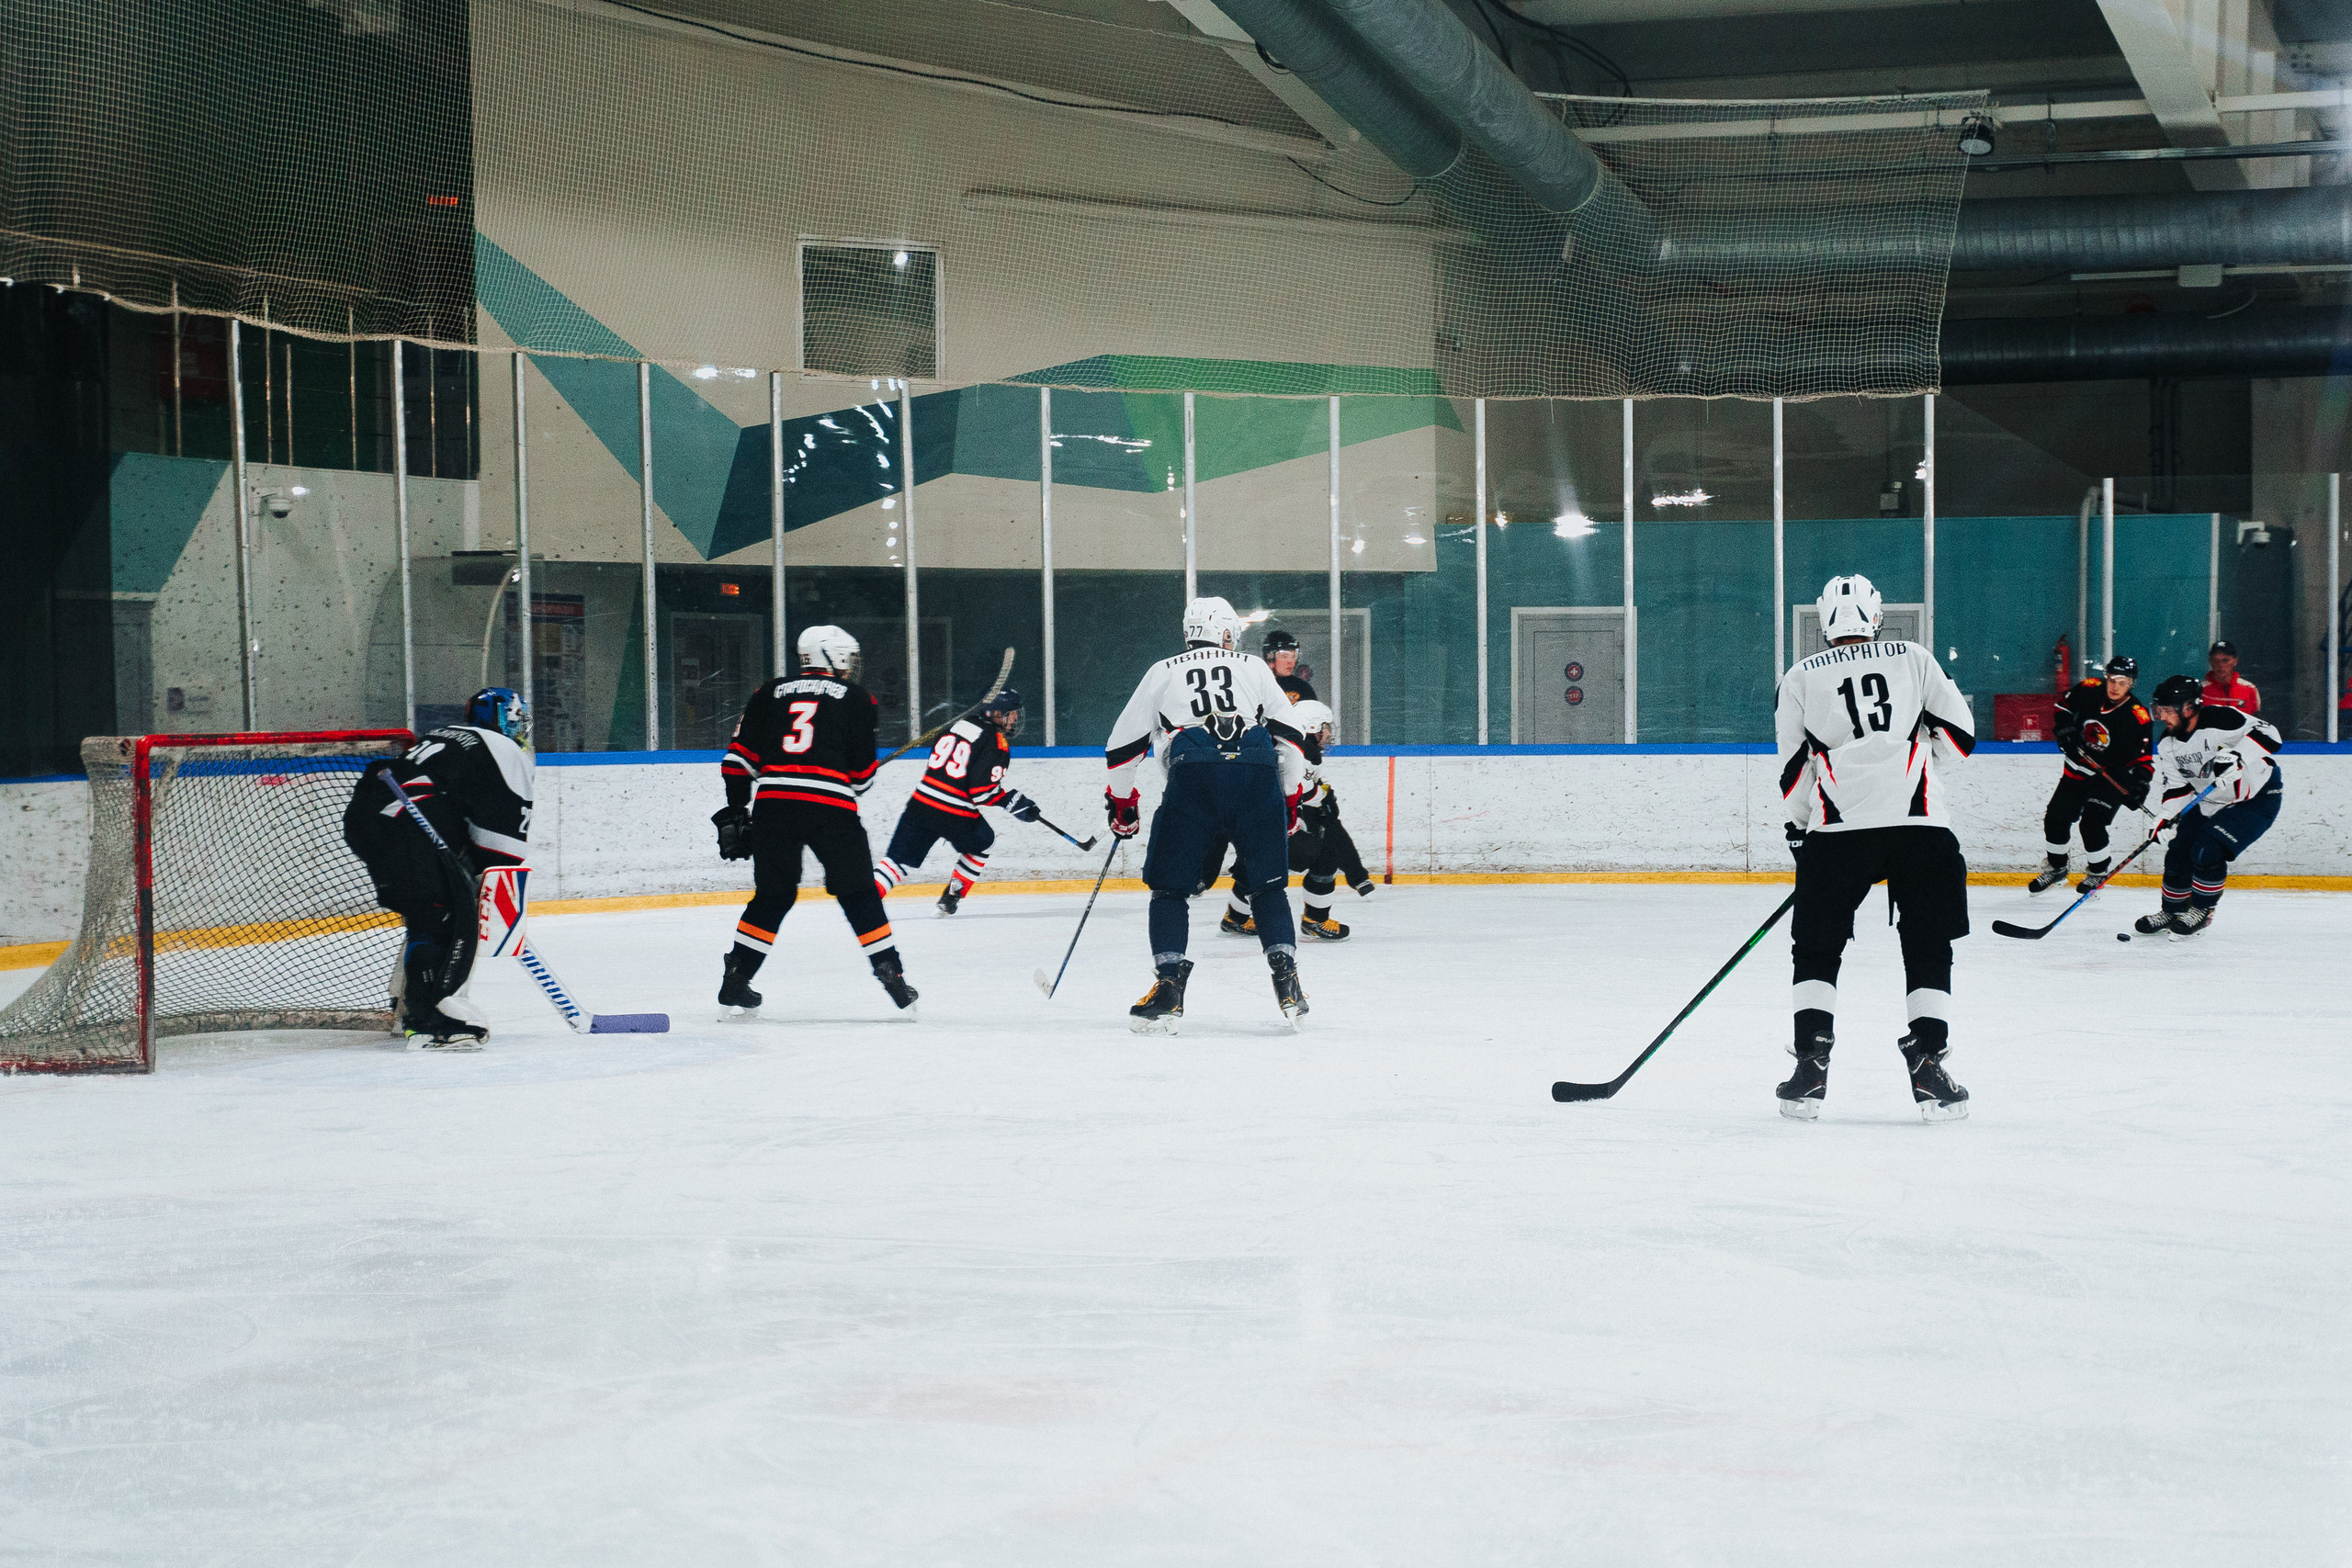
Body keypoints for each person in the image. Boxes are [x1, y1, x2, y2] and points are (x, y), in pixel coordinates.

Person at [1774, 574, 1976, 1122]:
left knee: (1816, 949)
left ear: (1824, 622)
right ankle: (1929, 1064)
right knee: (1929, 944)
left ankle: (1811, 1064)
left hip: (1837, 835)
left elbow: (1794, 774)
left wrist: (1801, 832)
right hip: (1921, 829)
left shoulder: (1798, 678)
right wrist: (1910, 754)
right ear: (1876, 616)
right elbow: (1960, 738)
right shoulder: (1914, 657)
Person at [1105, 595, 1310, 1032]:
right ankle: (1288, 982)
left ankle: (1168, 989)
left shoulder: (1163, 670)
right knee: (1268, 889)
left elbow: (1121, 748)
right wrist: (1289, 799)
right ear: (1226, 632)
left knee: (1169, 892)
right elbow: (1292, 739)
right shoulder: (1254, 667)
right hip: (1255, 779)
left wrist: (1123, 804)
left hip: (1194, 782)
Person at [712, 626, 917, 1018]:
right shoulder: (858, 698)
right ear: (834, 657)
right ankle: (890, 973)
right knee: (858, 893)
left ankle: (736, 977)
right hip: (831, 810)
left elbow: (736, 763)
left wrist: (737, 813)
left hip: (774, 806)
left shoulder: (767, 693)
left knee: (774, 895)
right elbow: (861, 780)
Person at [343, 687, 534, 1049]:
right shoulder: (505, 749)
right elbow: (504, 830)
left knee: (427, 911)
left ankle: (408, 1004)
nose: (520, 727)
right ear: (502, 720)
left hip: (369, 815)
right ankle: (435, 1019)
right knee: (453, 912)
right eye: (516, 718)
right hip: (409, 818)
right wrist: (488, 879)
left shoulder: (445, 733)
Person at [2132, 673, 2285, 939]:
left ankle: (2202, 911)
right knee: (2179, 850)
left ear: (2189, 708)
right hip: (2211, 802)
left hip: (2256, 798)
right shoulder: (2168, 744)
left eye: (2167, 710)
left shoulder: (2221, 718)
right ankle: (2173, 911)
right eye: (2160, 710)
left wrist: (2237, 757)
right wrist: (2167, 815)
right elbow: (2179, 787)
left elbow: (2272, 735)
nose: (2162, 717)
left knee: (2207, 849)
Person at [872, 688, 1043, 916]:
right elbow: (981, 792)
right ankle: (951, 898)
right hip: (954, 813)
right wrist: (1012, 801)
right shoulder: (996, 741)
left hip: (921, 803)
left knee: (896, 862)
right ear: (996, 713)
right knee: (985, 842)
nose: (1014, 718)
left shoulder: (956, 725)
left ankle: (864, 903)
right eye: (1010, 713)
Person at [1217, 700, 1374, 940]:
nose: (1329, 733)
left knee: (1256, 865)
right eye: (1324, 727)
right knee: (1325, 855)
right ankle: (1315, 919)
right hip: (1272, 823)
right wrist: (1323, 797)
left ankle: (1234, 919)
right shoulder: (1302, 751)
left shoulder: (1276, 741)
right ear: (1311, 727)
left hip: (1250, 821)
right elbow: (1300, 791)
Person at [2030, 655, 2154, 895]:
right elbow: (2062, 707)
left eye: (2124, 682)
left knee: (2092, 823)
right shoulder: (2088, 689)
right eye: (2113, 679)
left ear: (2132, 683)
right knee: (2056, 818)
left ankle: (2097, 872)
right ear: (2106, 677)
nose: (2116, 686)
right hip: (2076, 770)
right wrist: (2065, 730)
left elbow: (2144, 759)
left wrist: (2140, 785)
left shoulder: (2138, 716)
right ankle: (2056, 868)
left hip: (2110, 778)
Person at [2199, 640, 2260, 716]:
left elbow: (2256, 722)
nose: (2220, 665)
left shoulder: (2249, 689)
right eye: (2216, 660)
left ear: (2235, 661)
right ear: (2211, 662)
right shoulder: (2200, 690)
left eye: (2225, 660)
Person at [1261, 628, 1318, 702]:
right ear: (1269, 657)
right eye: (1284, 656)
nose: (1290, 662)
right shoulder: (1257, 685)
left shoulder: (1302, 688)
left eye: (1294, 656)